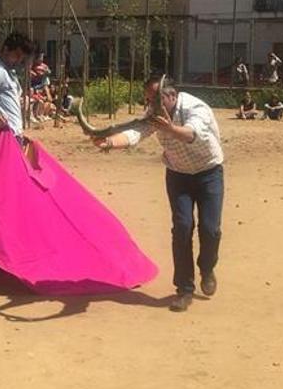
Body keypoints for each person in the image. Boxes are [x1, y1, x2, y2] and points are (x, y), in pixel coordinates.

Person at [93, 76, 224, 312]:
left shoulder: (196, 108)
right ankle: (184, 289)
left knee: (210, 228)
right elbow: (136, 134)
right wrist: (110, 143)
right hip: (178, 175)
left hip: (209, 173)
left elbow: (191, 134)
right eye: (148, 98)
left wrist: (170, 128)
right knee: (182, 228)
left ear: (172, 96)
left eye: (155, 98)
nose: (150, 103)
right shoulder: (154, 114)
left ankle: (206, 267)